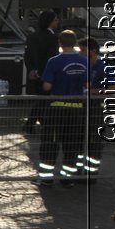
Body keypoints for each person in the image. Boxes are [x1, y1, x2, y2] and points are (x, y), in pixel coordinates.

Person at [40, 29, 95, 181]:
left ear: (60, 43)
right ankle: (68, 179)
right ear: (76, 43)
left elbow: (47, 87)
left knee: (50, 143)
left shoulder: (54, 61)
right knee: (72, 144)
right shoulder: (85, 61)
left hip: (57, 108)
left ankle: (46, 178)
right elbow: (88, 84)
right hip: (77, 108)